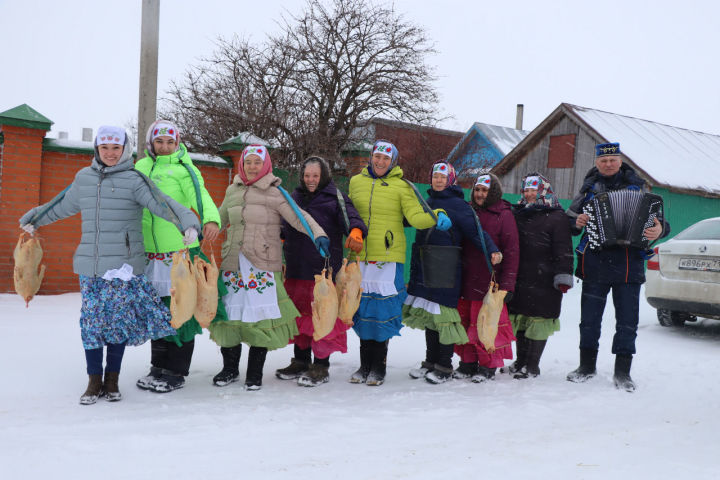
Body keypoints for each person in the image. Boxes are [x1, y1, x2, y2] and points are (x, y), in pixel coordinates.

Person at [18, 126, 200, 405]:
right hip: (90, 267)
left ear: (125, 149)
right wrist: (36, 218)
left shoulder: (134, 179)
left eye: (116, 148)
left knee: (117, 326)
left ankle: (112, 381)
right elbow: (62, 205)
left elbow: (161, 203)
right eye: (105, 148)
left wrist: (187, 223)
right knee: (91, 325)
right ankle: (93, 382)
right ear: (97, 149)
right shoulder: (84, 178)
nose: (111, 153)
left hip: (123, 267)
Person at [208, 145, 329, 391]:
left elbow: (299, 217)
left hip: (261, 265)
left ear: (265, 165)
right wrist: (200, 229)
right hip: (233, 263)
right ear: (242, 164)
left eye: (257, 162)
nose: (252, 167)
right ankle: (230, 369)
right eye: (248, 162)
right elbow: (219, 220)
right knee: (231, 317)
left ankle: (254, 373)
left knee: (259, 319)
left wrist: (318, 234)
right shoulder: (233, 189)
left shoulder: (276, 193)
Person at [348, 140, 451, 386]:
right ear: (371, 157)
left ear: (392, 161)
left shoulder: (402, 186)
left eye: (385, 158)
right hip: (360, 255)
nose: (380, 162)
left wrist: (435, 216)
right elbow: (349, 213)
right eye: (377, 156)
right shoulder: (355, 182)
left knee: (382, 312)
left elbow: (415, 216)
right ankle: (364, 366)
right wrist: (352, 230)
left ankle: (378, 367)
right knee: (362, 310)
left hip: (388, 257)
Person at [566, 142, 668, 391]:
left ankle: (623, 372)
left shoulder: (639, 188)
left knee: (627, 321)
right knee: (589, 320)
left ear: (620, 161)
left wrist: (659, 229)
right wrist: (577, 222)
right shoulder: (588, 189)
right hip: (595, 264)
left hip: (628, 265)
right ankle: (586, 366)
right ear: (597, 163)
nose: (608, 164)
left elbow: (662, 223)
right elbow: (569, 220)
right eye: (603, 160)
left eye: (613, 160)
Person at [134, 119, 227, 393]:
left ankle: (175, 371)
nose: (164, 147)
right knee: (158, 311)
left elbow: (200, 197)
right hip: (149, 255)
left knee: (182, 309)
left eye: (170, 142)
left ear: (177, 143)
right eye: (159, 142)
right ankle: (158, 365)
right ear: (151, 143)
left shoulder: (186, 169)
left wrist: (209, 220)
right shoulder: (140, 167)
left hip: (177, 252)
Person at [403, 161, 501, 384]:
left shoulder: (458, 205)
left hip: (444, 266)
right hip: (424, 263)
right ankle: (430, 361)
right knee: (431, 319)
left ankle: (444, 365)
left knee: (444, 319)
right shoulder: (427, 201)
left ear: (451, 179)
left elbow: (476, 231)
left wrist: (492, 250)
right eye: (435, 176)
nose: (438, 180)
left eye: (442, 176)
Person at [276, 156, 367, 387]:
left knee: (323, 317)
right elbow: (285, 223)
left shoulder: (335, 197)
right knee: (301, 317)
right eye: (307, 176)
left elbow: (351, 218)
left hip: (323, 271)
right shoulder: (294, 197)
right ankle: (300, 361)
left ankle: (321, 365)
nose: (310, 180)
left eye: (315, 176)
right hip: (297, 267)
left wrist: (356, 231)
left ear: (324, 175)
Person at [454, 172, 520, 383]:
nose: (480, 194)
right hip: (466, 279)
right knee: (467, 324)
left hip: (490, 283)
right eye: (478, 190)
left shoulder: (504, 214)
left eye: (485, 190)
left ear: (494, 192)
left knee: (486, 324)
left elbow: (511, 251)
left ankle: (487, 365)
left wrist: (508, 285)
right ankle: (468, 363)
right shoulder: (467, 211)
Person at [507, 173, 574, 379]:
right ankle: (520, 362)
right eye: (526, 190)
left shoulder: (557, 216)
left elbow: (563, 249)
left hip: (544, 279)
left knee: (538, 321)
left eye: (533, 191)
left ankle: (532, 366)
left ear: (543, 191)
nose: (529, 195)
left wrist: (563, 276)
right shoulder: (517, 213)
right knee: (521, 320)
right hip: (521, 276)